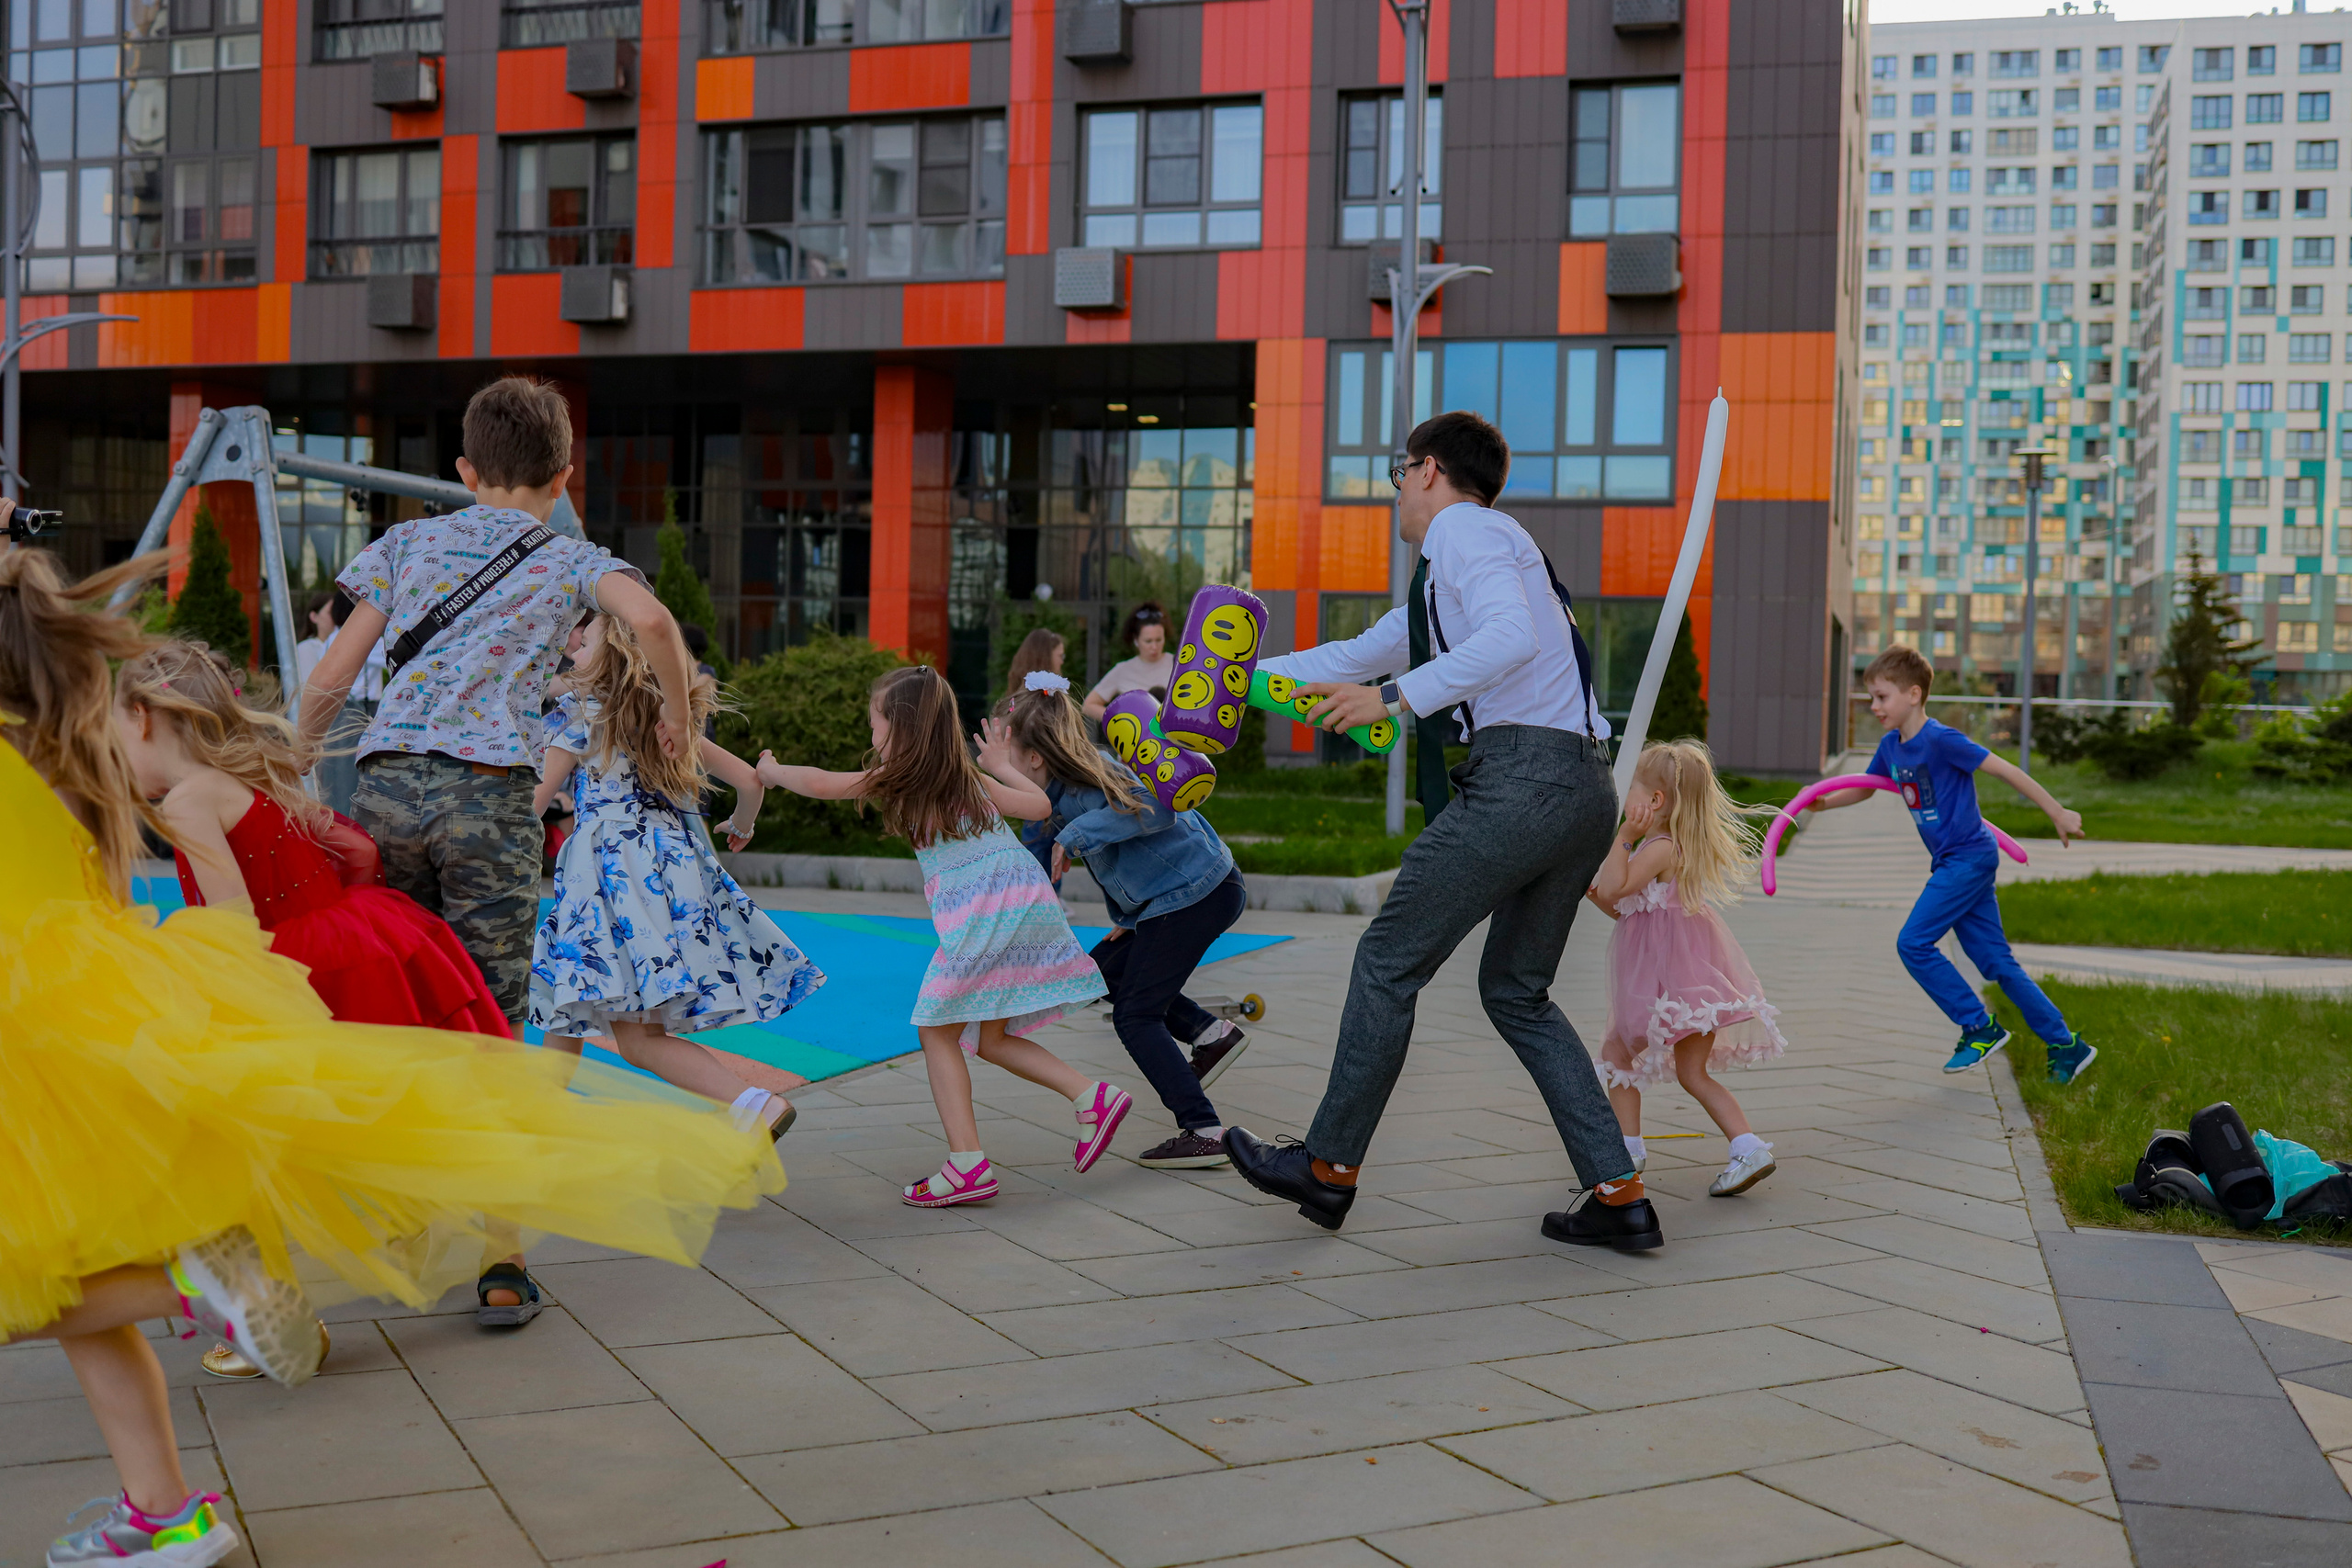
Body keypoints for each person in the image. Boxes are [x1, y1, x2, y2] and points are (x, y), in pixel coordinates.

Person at [0, 526, 780, 1568]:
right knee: (443, 1090)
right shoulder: (76, 767)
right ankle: (163, 1509)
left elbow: (225, 920)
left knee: (53, 1279)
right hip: (325, 946)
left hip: (70, 1020)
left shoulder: (143, 788)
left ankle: (204, 1292)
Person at [300, 375, 700, 1322]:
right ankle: (500, 1259)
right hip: (489, 804)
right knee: (491, 1029)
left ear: (465, 470)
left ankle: (391, 1212)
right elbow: (648, 621)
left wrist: (297, 773)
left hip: (388, 792)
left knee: (394, 1012)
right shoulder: (572, 557)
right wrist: (678, 721)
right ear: (565, 471)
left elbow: (332, 675)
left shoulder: (404, 544)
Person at [1219, 411, 1659, 1253]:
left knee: (1388, 959)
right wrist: (1215, 680)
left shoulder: (1465, 531)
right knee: (1516, 993)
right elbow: (1357, 653)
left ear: (1426, 470)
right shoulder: (1446, 578)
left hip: (1523, 781)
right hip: (1580, 788)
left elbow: (1506, 639)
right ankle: (1620, 1193)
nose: (1397, 493)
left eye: (1397, 474)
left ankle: (1328, 1168)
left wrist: (1395, 700)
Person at [757, 664, 1127, 1206]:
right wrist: (1002, 768)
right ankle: (1092, 1096)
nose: (872, 736)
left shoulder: (901, 776)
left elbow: (820, 784)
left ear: (902, 729)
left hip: (984, 912)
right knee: (991, 1038)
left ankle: (967, 1164)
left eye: (876, 725)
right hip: (1021, 898)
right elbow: (1040, 806)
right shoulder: (965, 775)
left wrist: (773, 772)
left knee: (935, 1030)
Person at [117, 639, 508, 1037]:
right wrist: (345, 919)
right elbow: (359, 849)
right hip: (349, 937)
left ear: (141, 717)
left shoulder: (187, 801)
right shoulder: (255, 776)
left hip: (285, 965)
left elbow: (230, 920)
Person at [529, 611, 824, 1137]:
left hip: (606, 875)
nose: (574, 643)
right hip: (666, 866)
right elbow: (751, 782)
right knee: (568, 1004)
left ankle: (754, 1104)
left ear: (614, 650)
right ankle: (527, 1127)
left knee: (628, 1033)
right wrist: (741, 825)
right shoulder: (664, 719)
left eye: (586, 637)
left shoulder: (577, 715)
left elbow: (535, 802)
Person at [1806, 646, 2096, 1083]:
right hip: (1953, 861)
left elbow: (2004, 771)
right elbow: (1865, 788)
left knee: (1913, 943)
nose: (1874, 706)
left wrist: (2056, 811)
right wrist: (1822, 802)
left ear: (1914, 694)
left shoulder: (1942, 740)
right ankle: (2067, 1045)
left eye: (1882, 697)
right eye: (1872, 698)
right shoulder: (1890, 747)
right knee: (1996, 963)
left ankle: (1979, 1027)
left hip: (1968, 857)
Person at [1001, 674, 1250, 1168]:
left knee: (1135, 1015)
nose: (1004, 768)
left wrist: (1072, 837)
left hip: (1198, 892)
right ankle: (1209, 1034)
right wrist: (1130, 916)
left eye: (1006, 756)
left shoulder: (1091, 777)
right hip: (1173, 898)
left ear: (1034, 758)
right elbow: (1132, 859)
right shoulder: (1060, 792)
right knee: (1104, 972)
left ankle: (1204, 1130)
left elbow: (1159, 809)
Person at [1585, 740, 1786, 1198]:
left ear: (1654, 802)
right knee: (1693, 1074)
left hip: (1660, 989)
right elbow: (1625, 909)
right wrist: (1593, 892)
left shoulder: (1655, 847)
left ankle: (1627, 1153)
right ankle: (1748, 1147)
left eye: (1630, 789)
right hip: (1693, 987)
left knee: (1616, 1054)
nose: (1623, 798)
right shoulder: (1672, 849)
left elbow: (1616, 888)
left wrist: (1621, 839)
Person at [300, 588, 390, 817]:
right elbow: (392, 654)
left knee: (339, 776)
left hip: (346, 710)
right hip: (354, 710)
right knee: (347, 779)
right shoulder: (358, 638)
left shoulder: (335, 637)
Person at [1000, 627, 1069, 880]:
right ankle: (1042, 892)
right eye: (1059, 656)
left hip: (1033, 781)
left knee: (1042, 842)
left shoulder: (1020, 698)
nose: (1062, 661)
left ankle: (1040, 892)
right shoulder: (1039, 701)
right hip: (1040, 782)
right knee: (1041, 841)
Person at [1082, 602, 1171, 721]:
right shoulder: (1123, 670)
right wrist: (1121, 721)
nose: (1154, 647)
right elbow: (1088, 706)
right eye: (1148, 641)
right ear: (1136, 640)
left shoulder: (1179, 664)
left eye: (1159, 640)